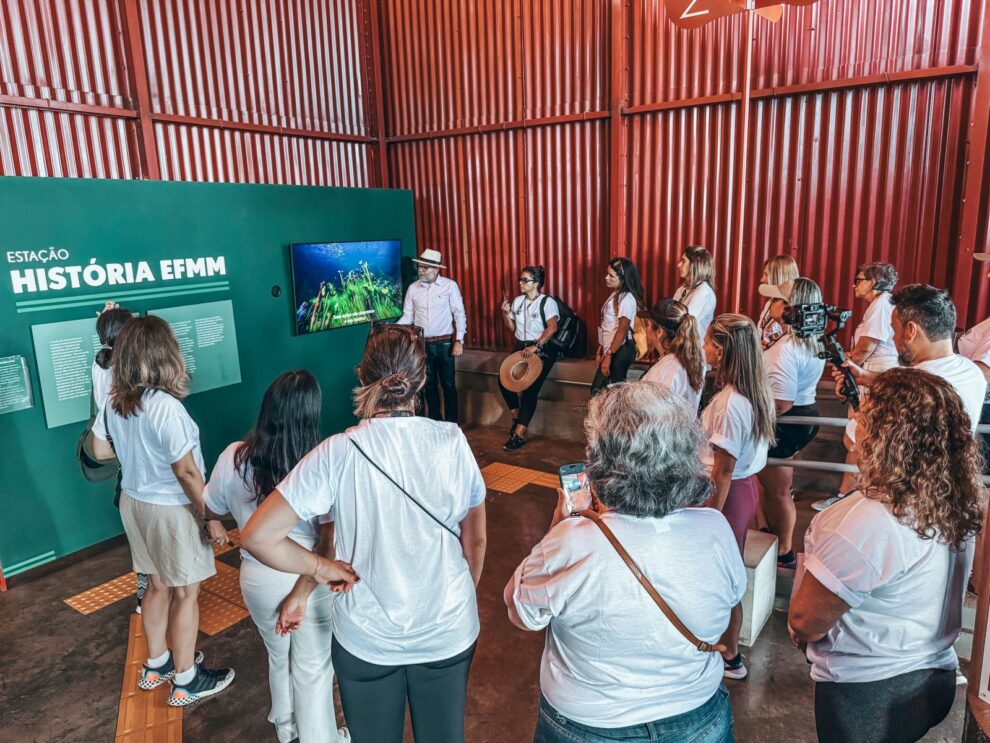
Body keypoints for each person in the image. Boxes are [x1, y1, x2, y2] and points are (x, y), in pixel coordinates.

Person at [241, 323, 487, 743]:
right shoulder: (452, 441)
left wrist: (323, 569)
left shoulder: (337, 451)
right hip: (447, 630)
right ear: (422, 380)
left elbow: (256, 536)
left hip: (366, 638)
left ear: (361, 374)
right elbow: (475, 540)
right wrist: (458, 597)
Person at [505, 382, 744, 743]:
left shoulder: (573, 541)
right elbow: (730, 608)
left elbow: (522, 613)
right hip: (698, 717)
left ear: (602, 462)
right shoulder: (715, 528)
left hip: (588, 726)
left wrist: (557, 529)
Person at [788, 369, 983, 743]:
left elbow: (805, 620)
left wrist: (800, 630)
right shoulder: (954, 496)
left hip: (869, 695)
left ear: (885, 435)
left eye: (864, 416)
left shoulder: (870, 519)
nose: (855, 424)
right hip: (933, 674)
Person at [89, 317, 234, 707]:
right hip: (169, 509)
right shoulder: (165, 407)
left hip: (133, 502)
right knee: (186, 593)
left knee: (156, 586)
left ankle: (157, 665)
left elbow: (99, 449)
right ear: (164, 354)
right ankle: (186, 681)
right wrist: (210, 516)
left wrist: (136, 453)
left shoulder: (116, 400)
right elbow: (186, 472)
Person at [203, 371, 347, 743]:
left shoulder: (233, 456)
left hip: (258, 577)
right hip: (308, 577)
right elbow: (327, 542)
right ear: (311, 416)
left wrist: (222, 519)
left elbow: (210, 507)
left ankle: (286, 728)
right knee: (313, 667)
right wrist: (302, 591)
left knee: (278, 655)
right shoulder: (318, 464)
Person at [816, 284, 987, 511]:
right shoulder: (971, 372)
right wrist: (866, 377)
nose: (895, 339)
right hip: (948, 499)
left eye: (895, 330)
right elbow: (926, 378)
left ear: (911, 330)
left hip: (902, 503)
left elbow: (857, 443)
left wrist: (865, 408)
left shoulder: (906, 389)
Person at [701, 314, 776, 681]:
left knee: (721, 579)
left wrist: (708, 518)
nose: (703, 348)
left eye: (707, 342)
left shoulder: (732, 403)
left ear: (721, 350)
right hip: (739, 492)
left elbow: (723, 470)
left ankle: (729, 655)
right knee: (726, 575)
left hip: (726, 498)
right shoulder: (752, 391)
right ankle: (725, 650)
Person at [756, 279, 826, 567]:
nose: (770, 305)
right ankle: (771, 538)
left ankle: (784, 551)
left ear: (788, 308)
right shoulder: (810, 341)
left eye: (775, 300)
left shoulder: (786, 349)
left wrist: (750, 415)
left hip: (786, 419)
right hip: (802, 413)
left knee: (778, 491)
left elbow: (781, 403)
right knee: (774, 487)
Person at [92, 302, 148, 610]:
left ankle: (144, 597)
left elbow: (102, 448)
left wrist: (106, 320)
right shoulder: (129, 378)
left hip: (126, 475)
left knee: (141, 549)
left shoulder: (100, 364)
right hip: (147, 473)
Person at [397, 248, 467, 423]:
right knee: (428, 386)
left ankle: (451, 424)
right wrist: (392, 329)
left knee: (448, 385)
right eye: (419, 267)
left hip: (445, 344)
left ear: (436, 269)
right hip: (421, 344)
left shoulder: (450, 286)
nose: (420, 270)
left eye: (424, 267)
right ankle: (434, 422)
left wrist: (459, 340)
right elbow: (408, 316)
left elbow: (459, 314)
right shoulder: (413, 288)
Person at [498, 266, 560, 451]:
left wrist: (537, 346)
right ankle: (517, 417)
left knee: (530, 390)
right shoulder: (518, 301)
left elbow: (552, 328)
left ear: (536, 283)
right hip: (521, 346)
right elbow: (512, 328)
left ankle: (519, 434)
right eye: (520, 279)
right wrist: (505, 314)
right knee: (503, 380)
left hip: (541, 348)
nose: (521, 283)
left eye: (525, 280)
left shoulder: (547, 302)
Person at [591, 257, 646, 396]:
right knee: (605, 392)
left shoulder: (627, 298)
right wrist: (600, 351)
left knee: (604, 392)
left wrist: (609, 355)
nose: (606, 278)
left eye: (611, 275)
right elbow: (607, 325)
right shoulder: (616, 294)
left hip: (620, 349)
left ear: (623, 278)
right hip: (612, 349)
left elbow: (622, 329)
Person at [641, 298, 704, 412]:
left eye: (648, 324)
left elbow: (652, 414)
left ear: (659, 332)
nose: (646, 329)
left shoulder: (665, 371)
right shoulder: (690, 359)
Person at [674, 246, 717, 347]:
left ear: (696, 264)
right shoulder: (682, 289)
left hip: (694, 353)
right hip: (681, 348)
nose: (679, 265)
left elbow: (683, 323)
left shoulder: (704, 292)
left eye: (683, 261)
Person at [756, 255, 799, 348]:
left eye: (766, 274)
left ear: (778, 277)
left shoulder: (791, 310)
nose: (762, 279)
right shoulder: (770, 303)